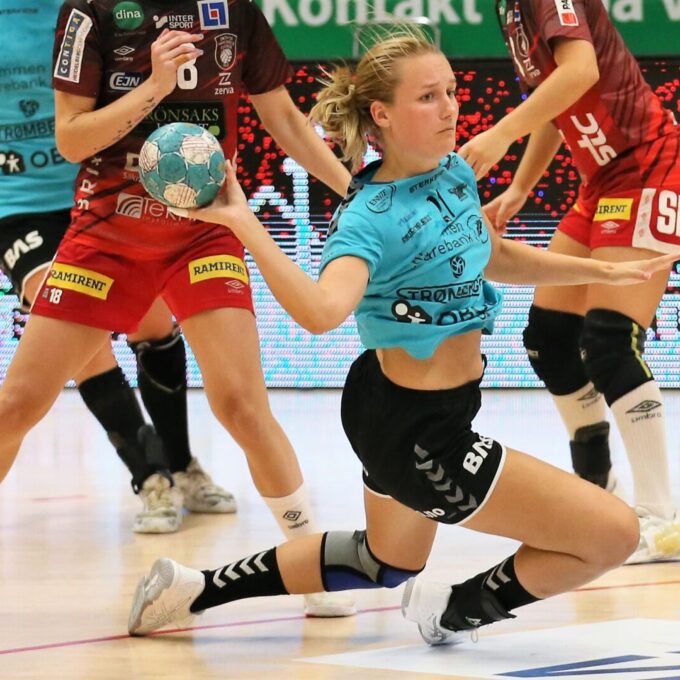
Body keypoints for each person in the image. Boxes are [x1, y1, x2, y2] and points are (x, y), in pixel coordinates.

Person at [126, 30, 676, 643]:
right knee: (613, 533)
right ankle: (452, 611)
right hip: (421, 435)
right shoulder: (367, 218)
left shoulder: (453, 172)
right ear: (381, 115)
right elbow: (320, 312)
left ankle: (189, 589)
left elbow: (489, 254)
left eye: (451, 92)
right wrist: (243, 222)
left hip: (397, 404)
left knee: (385, 561)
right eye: (428, 97)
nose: (450, 108)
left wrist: (599, 271)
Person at [0, 0, 354, 617]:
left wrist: (358, 192)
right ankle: (157, 472)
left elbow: (284, 120)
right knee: (17, 405)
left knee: (242, 406)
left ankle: (312, 565)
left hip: (204, 230)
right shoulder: (91, 11)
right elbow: (70, 138)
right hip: (107, 236)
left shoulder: (235, 11)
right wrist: (155, 86)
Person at [0, 0, 235, 535]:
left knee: (152, 322)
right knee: (69, 320)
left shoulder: (85, 9)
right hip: (18, 205)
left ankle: (181, 464)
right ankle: (150, 476)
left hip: (98, 189)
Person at [458, 0, 680, 563]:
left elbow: (580, 71)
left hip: (648, 166)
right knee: (549, 339)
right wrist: (519, 189)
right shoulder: (510, 10)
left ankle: (661, 520)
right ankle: (597, 490)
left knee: (610, 341)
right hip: (601, 181)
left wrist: (501, 134)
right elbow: (556, 101)